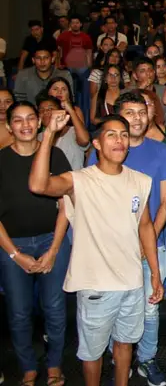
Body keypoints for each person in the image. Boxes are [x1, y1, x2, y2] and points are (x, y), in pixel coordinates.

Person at [29, 113, 163, 386]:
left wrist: (155, 273)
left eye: (124, 135)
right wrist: (48, 136)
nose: (119, 140)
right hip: (96, 286)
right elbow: (38, 185)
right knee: (92, 353)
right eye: (111, 134)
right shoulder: (79, 180)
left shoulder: (141, 180)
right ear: (97, 143)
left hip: (132, 281)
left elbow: (146, 226)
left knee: (125, 344)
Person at [85, 91, 166, 386]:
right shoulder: (101, 150)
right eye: (130, 112)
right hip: (110, 249)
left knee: (150, 309)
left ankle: (147, 359)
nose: (136, 118)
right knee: (113, 310)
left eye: (142, 111)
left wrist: (146, 243)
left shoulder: (161, 150)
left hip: (152, 244)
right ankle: (119, 362)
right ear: (117, 114)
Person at [0, 101, 72, 386]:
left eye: (31, 118)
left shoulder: (55, 155)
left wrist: (54, 250)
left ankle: (54, 365)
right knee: (19, 311)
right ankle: (28, 367)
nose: (26, 124)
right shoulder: (1, 161)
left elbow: (67, 205)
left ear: (40, 122)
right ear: (8, 126)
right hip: (10, 246)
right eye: (18, 120)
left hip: (50, 240)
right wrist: (16, 254)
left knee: (54, 307)